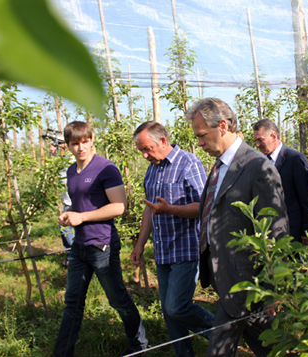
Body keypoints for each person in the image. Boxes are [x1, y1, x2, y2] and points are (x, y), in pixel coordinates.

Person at [185, 98, 289, 357]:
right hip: (228, 279)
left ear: (222, 126)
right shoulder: (220, 166)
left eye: (201, 135)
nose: (198, 143)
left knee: (222, 348)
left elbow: (276, 229)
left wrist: (276, 285)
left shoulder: (257, 166)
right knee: (268, 346)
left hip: (249, 282)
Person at [53, 121, 148, 357]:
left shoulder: (106, 169)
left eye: (85, 141)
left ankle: (140, 345)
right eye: (75, 143)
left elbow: (119, 206)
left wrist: (81, 216)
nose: (81, 148)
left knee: (117, 299)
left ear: (92, 139)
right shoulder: (71, 171)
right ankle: (62, 352)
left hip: (102, 245)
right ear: (67, 145)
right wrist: (69, 216)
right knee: (72, 303)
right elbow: (80, 205)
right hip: (80, 246)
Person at [131, 121, 215, 357]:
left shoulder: (188, 163)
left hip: (186, 248)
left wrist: (170, 210)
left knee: (177, 307)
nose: (145, 155)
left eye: (147, 149)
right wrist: (140, 244)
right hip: (162, 251)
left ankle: (223, 331)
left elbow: (203, 206)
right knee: (170, 314)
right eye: (142, 151)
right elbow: (150, 209)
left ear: (163, 141)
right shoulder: (152, 168)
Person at [253, 118, 308, 245]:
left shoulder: (295, 159)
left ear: (273, 136)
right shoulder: (261, 162)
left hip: (293, 233)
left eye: (260, 140)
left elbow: (307, 199)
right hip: (271, 235)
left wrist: (307, 231)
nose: (257, 145)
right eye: (256, 141)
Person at [50, 142, 75, 267]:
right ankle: (71, 256)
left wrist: (68, 147)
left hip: (73, 202)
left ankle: (74, 256)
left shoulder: (73, 158)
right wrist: (53, 152)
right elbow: (54, 166)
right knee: (65, 230)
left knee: (66, 229)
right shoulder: (62, 161)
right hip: (66, 201)